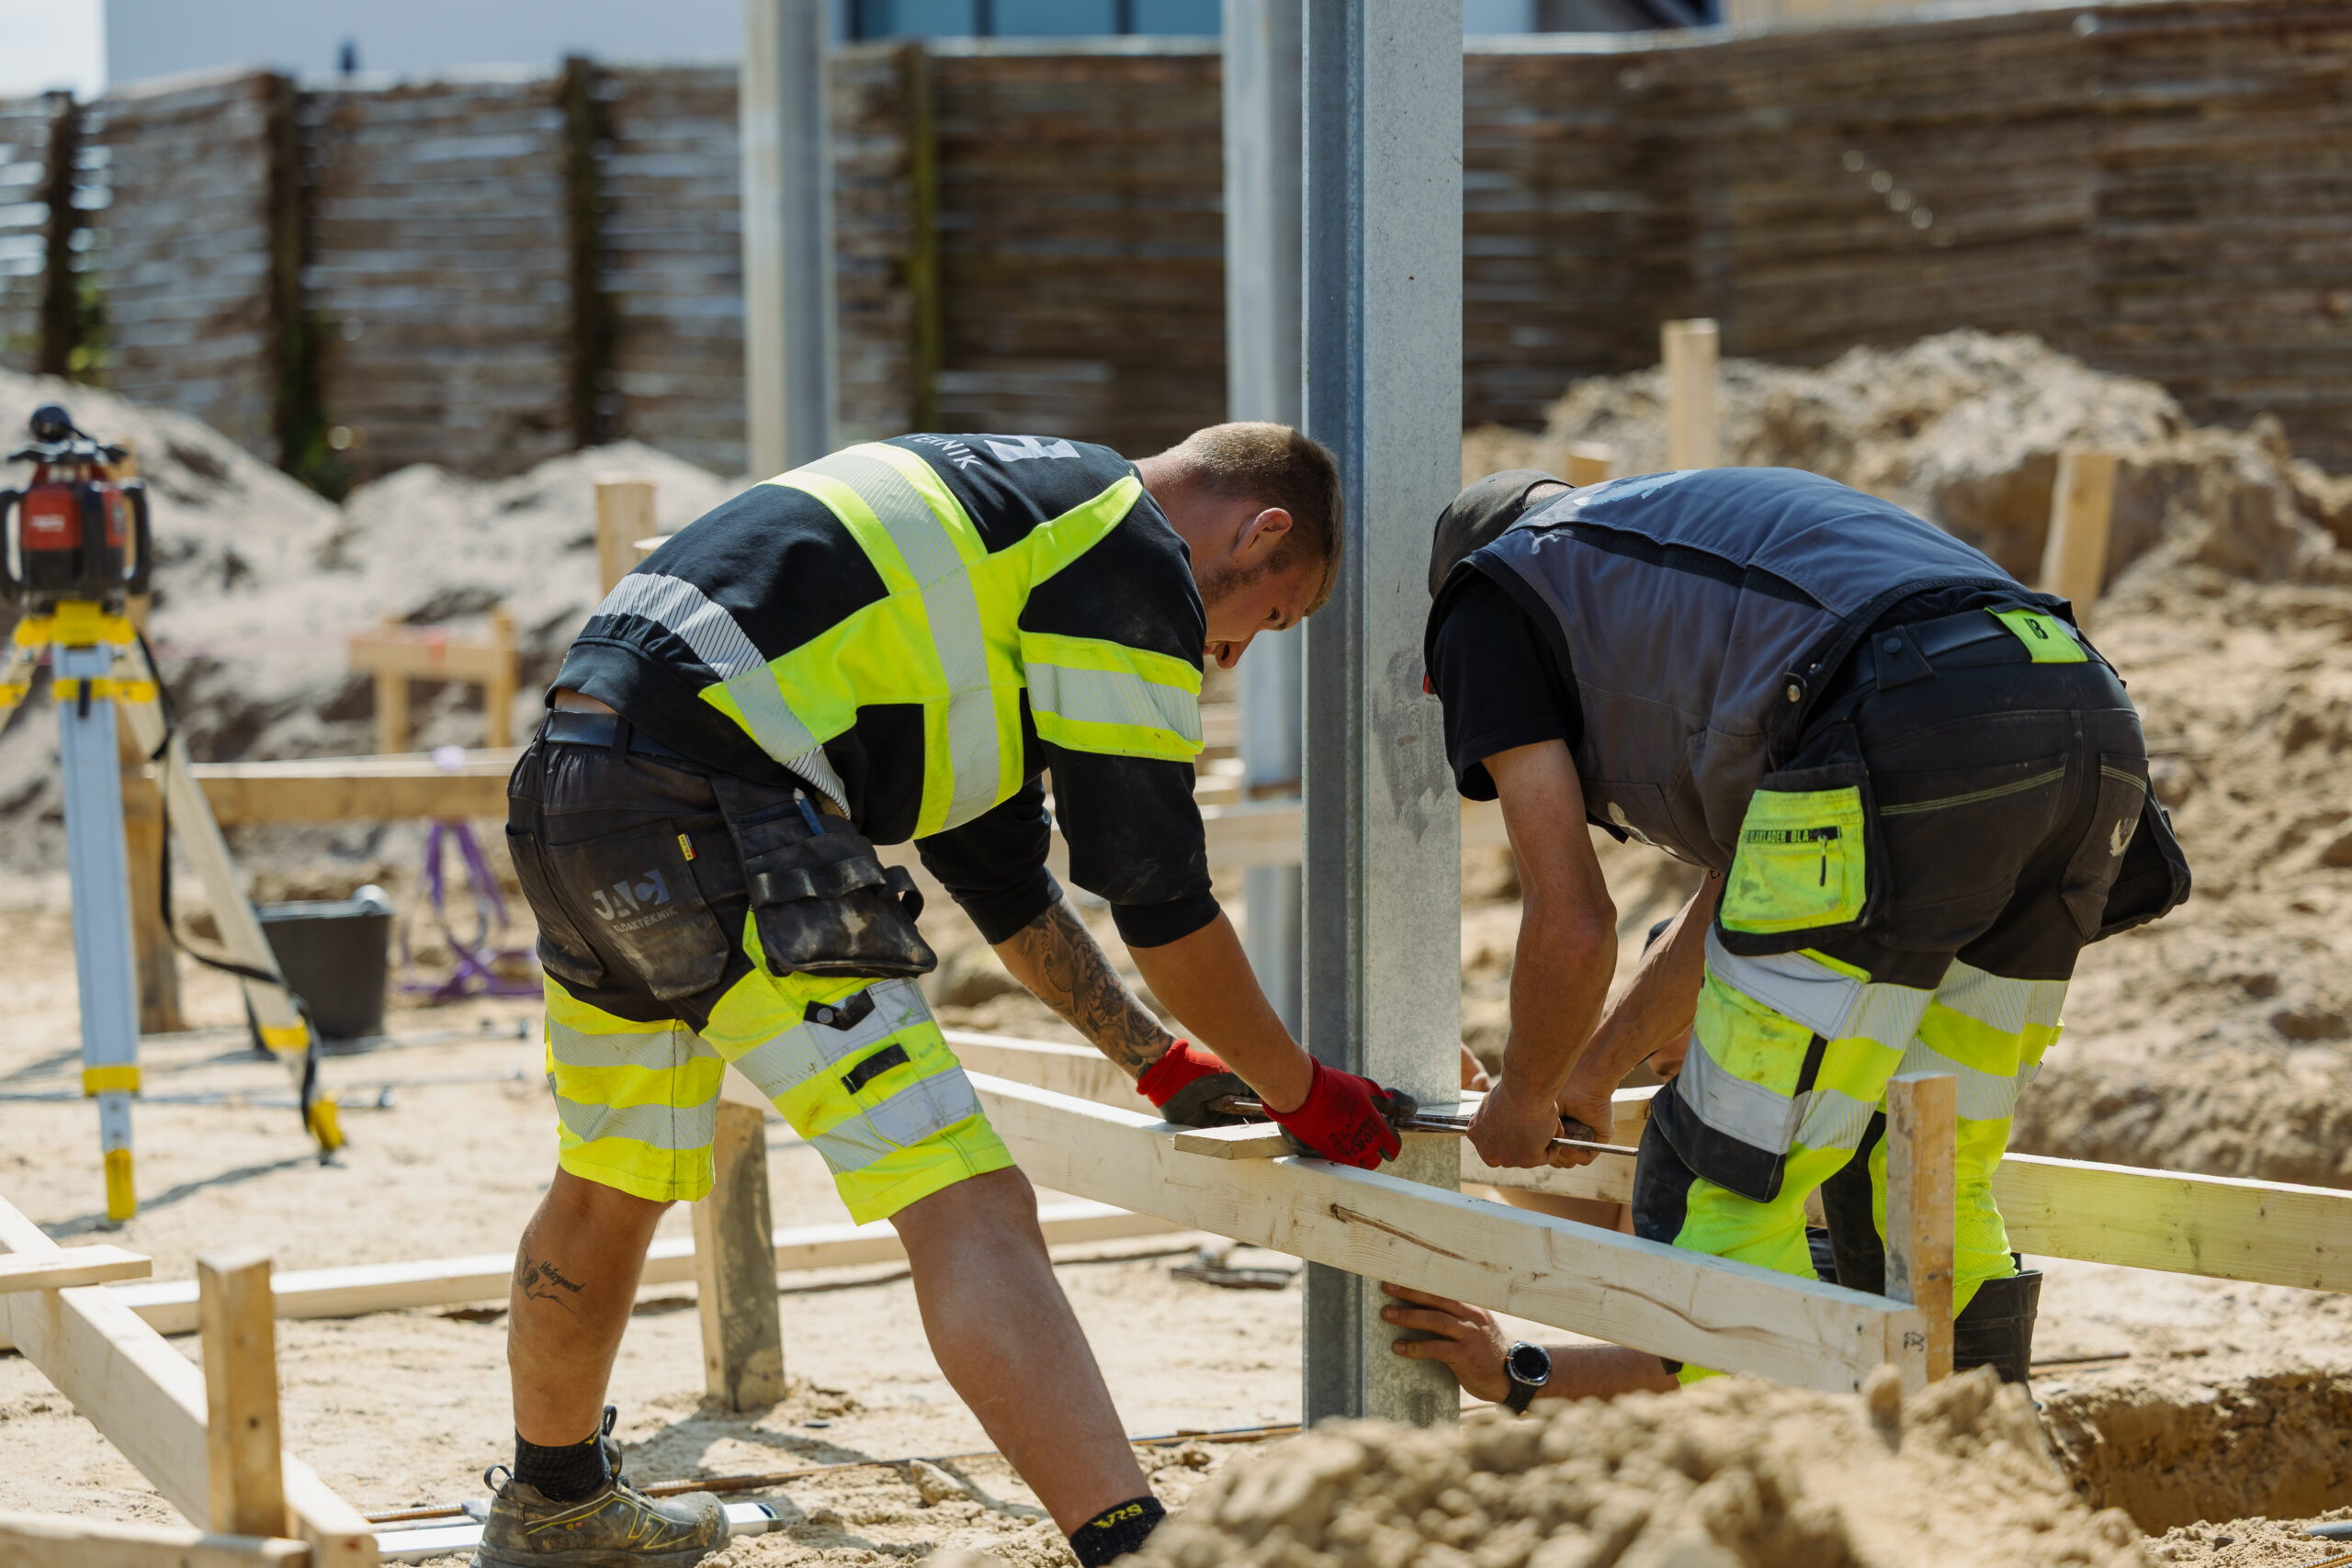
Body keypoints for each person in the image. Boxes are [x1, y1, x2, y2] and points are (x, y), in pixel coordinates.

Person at [480, 424, 1405, 1568]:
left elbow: (1007, 883)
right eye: (1269, 617)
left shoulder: (1002, 537)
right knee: (967, 1199)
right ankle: (1137, 1551)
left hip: (579, 786)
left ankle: (554, 1507)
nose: (1230, 659)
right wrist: (1299, 1088)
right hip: (717, 806)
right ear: (1260, 533)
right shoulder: (1125, 554)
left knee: (609, 1179)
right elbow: (1158, 898)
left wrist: (1153, 1060)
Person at [1403, 465, 2189, 1403]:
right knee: (1924, 1165)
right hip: (2082, 715)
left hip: (1904, 718)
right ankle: (1980, 1479)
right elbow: (1748, 893)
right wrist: (1587, 1075)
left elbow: (1573, 922)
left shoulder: (1490, 593)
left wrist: (1524, 1092)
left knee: (1724, 1183)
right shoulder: (1683, 584)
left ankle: (1793, 1508)